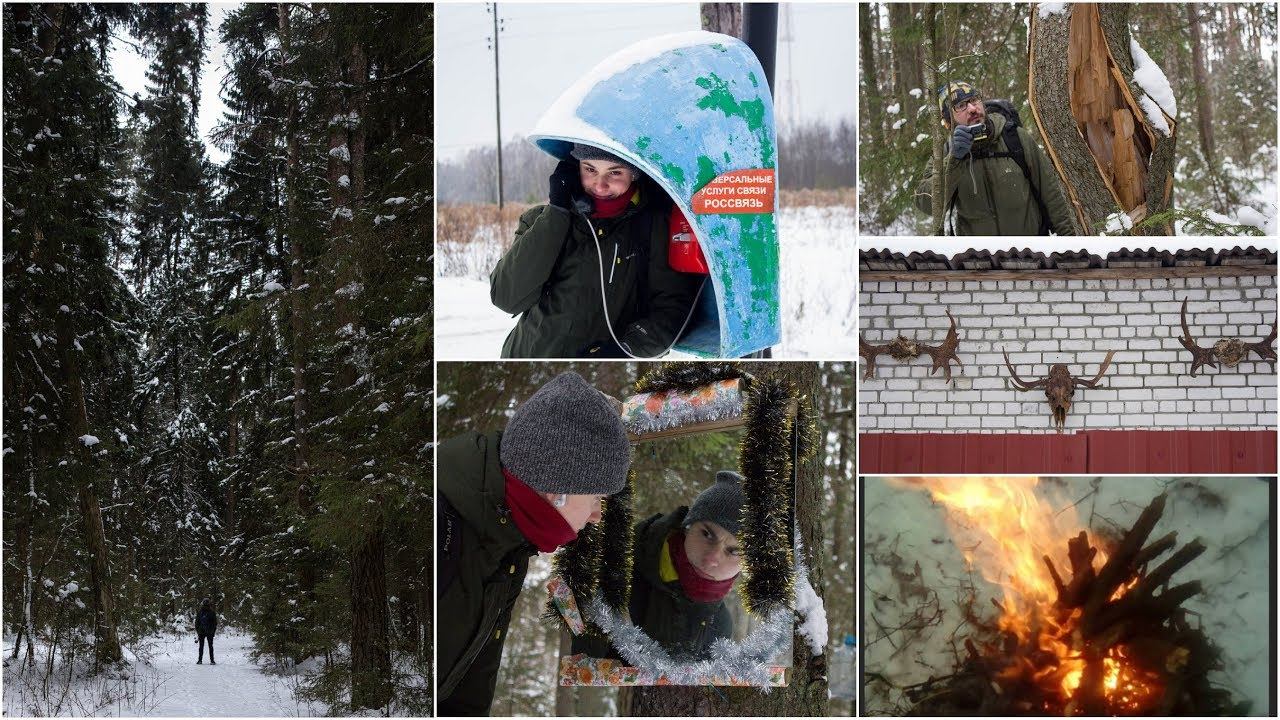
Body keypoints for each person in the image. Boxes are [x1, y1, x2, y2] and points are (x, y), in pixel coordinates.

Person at [436, 371, 631, 716]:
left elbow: (466, 683)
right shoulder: (444, 525)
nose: (597, 515)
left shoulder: (509, 539)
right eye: (597, 497)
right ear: (558, 490)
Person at [490, 144, 704, 358]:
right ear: (576, 169)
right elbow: (506, 297)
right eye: (590, 170)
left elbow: (672, 308)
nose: (600, 186)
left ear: (634, 174)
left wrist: (627, 349)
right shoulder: (541, 220)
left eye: (615, 172)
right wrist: (557, 213)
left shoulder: (654, 228)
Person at [577, 470, 746, 661]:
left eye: (734, 551)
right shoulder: (614, 569)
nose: (712, 559)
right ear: (687, 528)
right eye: (707, 534)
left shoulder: (719, 624)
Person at [915, 81, 1077, 236]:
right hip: (979, 259)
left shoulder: (1015, 138)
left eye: (974, 100)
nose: (972, 108)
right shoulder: (945, 153)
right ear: (949, 121)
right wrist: (954, 160)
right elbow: (926, 203)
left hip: (1030, 251)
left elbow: (1051, 194)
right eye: (960, 106)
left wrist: (1068, 244)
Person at [195, 598, 217, 665]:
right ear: (209, 604)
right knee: (210, 646)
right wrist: (213, 632)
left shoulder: (200, 612)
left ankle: (200, 660)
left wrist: (198, 631)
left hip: (201, 632)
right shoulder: (212, 612)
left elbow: (196, 623)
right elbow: (215, 623)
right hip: (210, 632)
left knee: (201, 647)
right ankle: (212, 661)